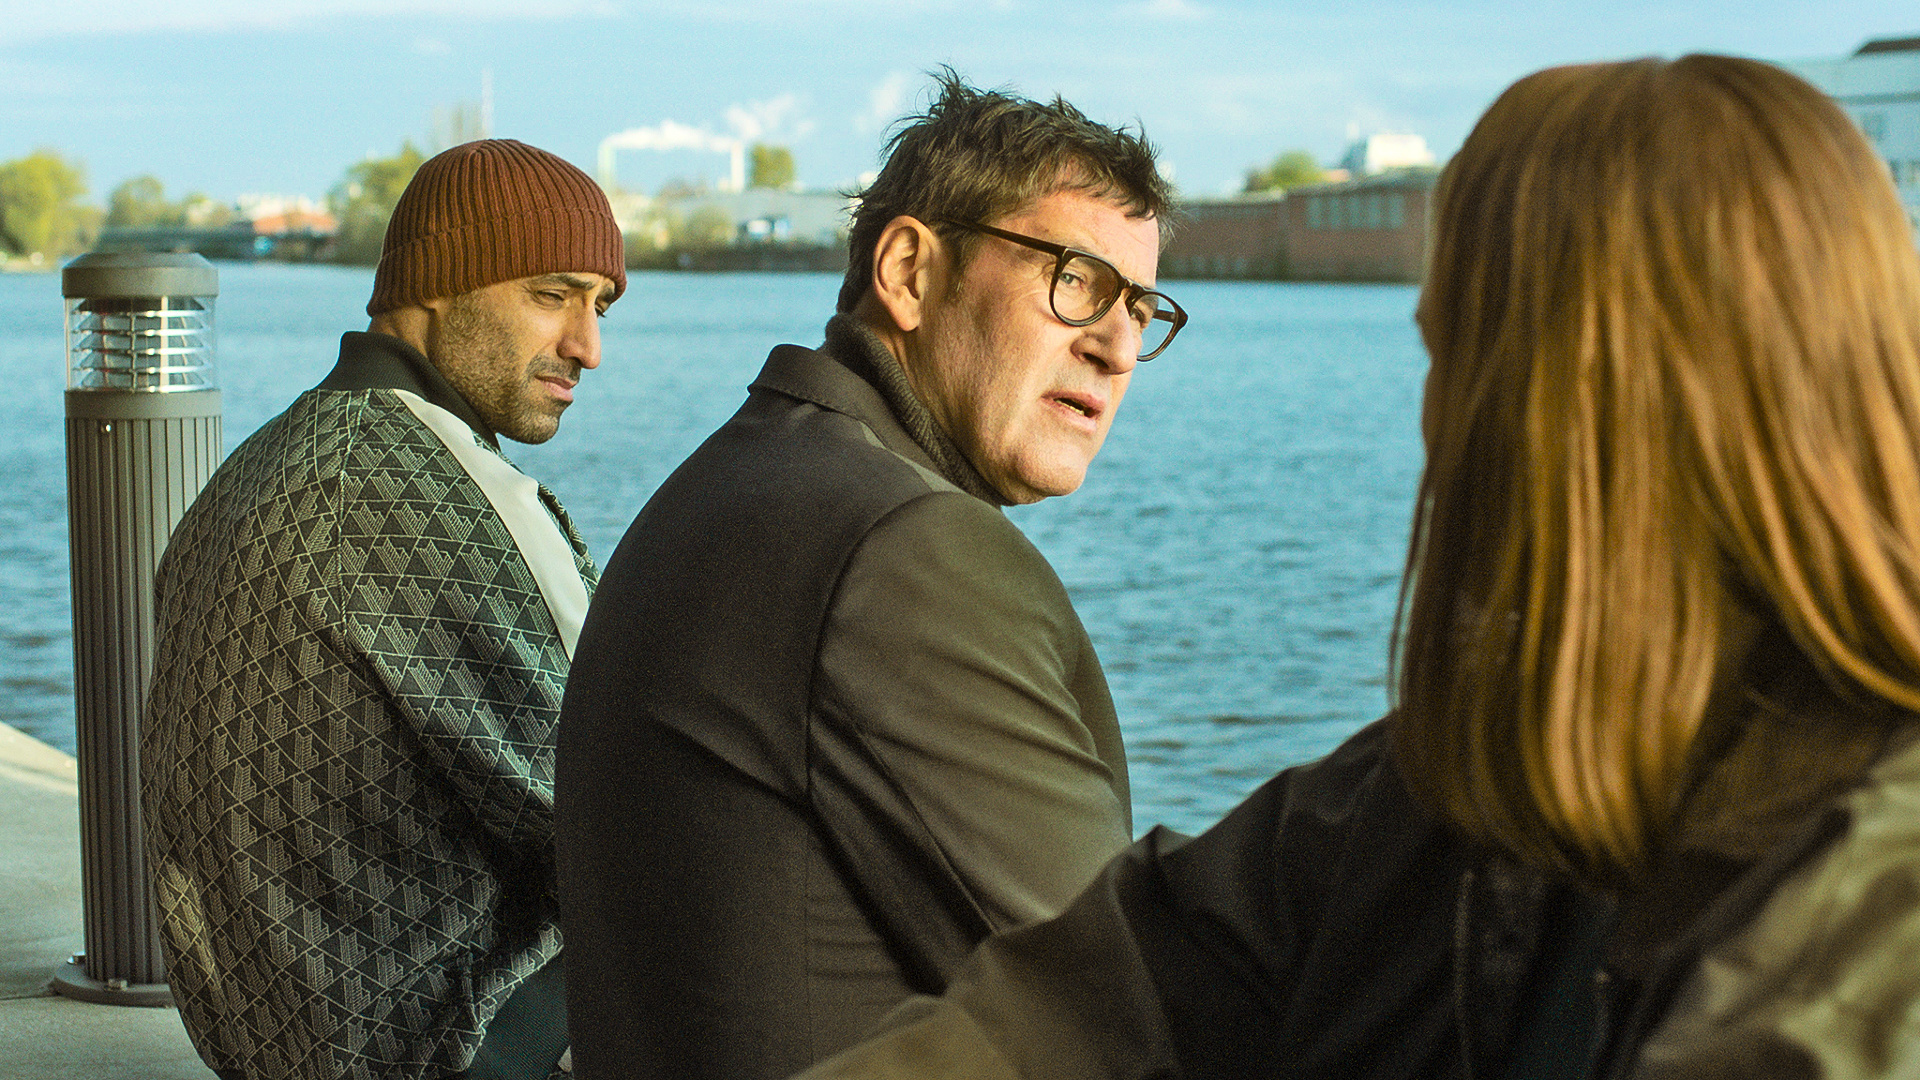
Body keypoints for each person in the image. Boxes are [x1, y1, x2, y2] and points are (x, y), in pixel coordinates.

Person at [791, 54, 1920, 1080]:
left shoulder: (1873, 917)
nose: (1433, 422)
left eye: (1458, 352)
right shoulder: (1457, 783)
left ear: (1614, 400)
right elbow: (1081, 1003)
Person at [553, 72, 1184, 1080]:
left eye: (1142, 308)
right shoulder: (904, 551)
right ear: (909, 271)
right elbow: (1125, 1013)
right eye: (1078, 281)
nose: (1117, 347)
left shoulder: (741, 478)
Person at [143, 138, 624, 1080]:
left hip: (268, 1044)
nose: (588, 347)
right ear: (438, 284)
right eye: (552, 295)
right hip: (442, 1050)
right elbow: (619, 808)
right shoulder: (442, 500)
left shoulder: (252, 471)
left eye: (600, 307)